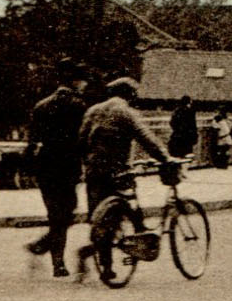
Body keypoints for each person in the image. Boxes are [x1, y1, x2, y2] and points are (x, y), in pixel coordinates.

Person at [75, 77, 170, 283]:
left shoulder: (92, 111)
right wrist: (166, 159)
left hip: (94, 173)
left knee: (99, 219)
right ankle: (139, 237)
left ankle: (104, 265)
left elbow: (81, 141)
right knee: (125, 212)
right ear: (129, 94)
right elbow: (147, 138)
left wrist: (88, 165)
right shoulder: (125, 112)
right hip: (117, 173)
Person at [22, 59, 88, 277]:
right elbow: (84, 139)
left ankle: (53, 258)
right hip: (68, 165)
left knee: (55, 214)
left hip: (46, 166)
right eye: (82, 80)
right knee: (67, 212)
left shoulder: (42, 105)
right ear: (76, 81)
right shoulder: (79, 106)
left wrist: (28, 168)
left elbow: (32, 141)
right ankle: (51, 256)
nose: (85, 84)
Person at [168, 96, 198, 160]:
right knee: (186, 156)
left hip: (177, 136)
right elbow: (193, 125)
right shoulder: (190, 111)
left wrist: (177, 129)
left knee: (177, 155)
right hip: (187, 137)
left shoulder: (177, 111)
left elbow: (172, 123)